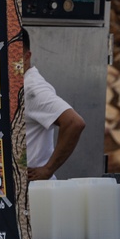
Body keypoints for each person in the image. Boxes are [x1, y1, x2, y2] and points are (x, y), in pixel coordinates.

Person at [21, 28, 86, 180]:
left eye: (11, 55)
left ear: (26, 57)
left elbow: (74, 123)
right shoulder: (16, 85)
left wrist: (48, 169)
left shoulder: (31, 88)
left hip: (32, 190)